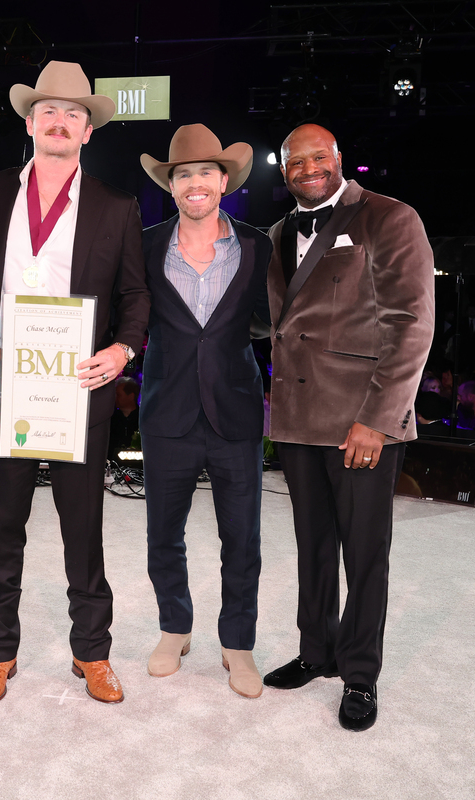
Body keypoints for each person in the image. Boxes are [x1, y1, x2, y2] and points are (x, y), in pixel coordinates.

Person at [0, 61, 149, 706]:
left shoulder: (116, 206)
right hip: (6, 383)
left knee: (84, 527)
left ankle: (92, 651)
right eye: (48, 110)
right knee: (1, 526)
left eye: (74, 113)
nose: (60, 121)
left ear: (88, 131)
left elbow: (134, 294)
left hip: (79, 387)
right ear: (29, 122)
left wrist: (123, 349)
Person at [263, 123, 435, 731]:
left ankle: (360, 673)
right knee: (312, 546)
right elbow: (280, 321)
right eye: (296, 161)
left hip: (358, 421)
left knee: (364, 553)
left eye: (319, 157)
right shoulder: (279, 232)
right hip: (297, 419)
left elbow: (411, 324)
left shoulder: (389, 217)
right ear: (284, 169)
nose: (308, 168)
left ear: (339, 158)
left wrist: (378, 421)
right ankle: (317, 651)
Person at [135, 124, 271, 696]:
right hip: (166, 412)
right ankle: (175, 627)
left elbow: (274, 318)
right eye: (184, 173)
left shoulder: (258, 246)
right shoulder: (144, 245)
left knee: (242, 539)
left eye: (206, 173)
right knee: (163, 535)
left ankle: (237, 643)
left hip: (235, 412)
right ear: (171, 185)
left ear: (224, 181)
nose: (195, 183)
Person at [108, 376, 140, 456]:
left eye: (118, 395)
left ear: (131, 396)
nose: (115, 398)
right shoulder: (110, 418)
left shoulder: (143, 419)